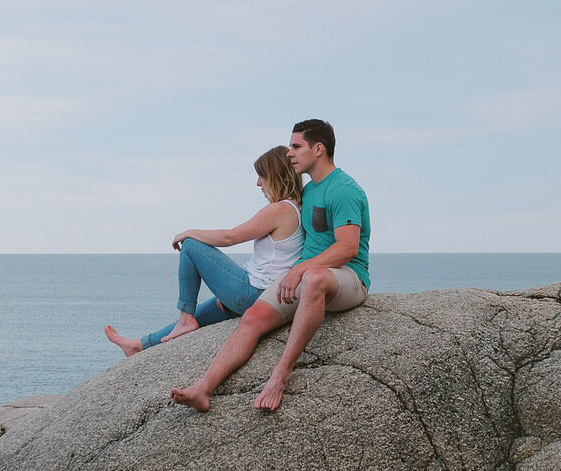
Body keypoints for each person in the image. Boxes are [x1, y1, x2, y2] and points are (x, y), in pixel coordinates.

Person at [172, 118, 369, 413]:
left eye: (296, 146)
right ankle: (202, 389)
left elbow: (347, 248)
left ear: (318, 149)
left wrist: (300, 269)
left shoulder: (343, 190)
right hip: (304, 276)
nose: (289, 153)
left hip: (348, 277)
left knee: (314, 278)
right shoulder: (310, 190)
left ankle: (279, 376)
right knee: (251, 318)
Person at [104, 147, 304, 356]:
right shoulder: (297, 208)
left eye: (262, 176)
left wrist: (188, 233)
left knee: (191, 246)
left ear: (276, 175)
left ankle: (185, 318)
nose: (258, 183)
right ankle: (138, 345)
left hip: (254, 292)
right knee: (200, 315)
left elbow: (231, 237)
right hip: (263, 293)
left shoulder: (280, 209)